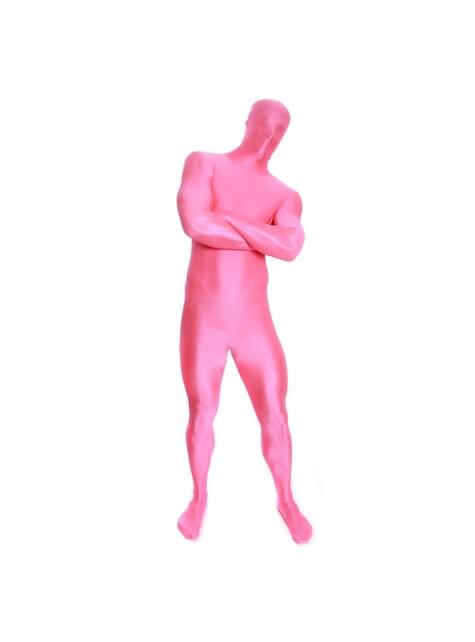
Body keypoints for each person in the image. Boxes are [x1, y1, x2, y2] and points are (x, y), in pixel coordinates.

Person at [176, 99, 313, 543]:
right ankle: (199, 498)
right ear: (249, 122)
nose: (272, 134)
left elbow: (290, 247)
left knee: (275, 412)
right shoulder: (205, 163)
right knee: (202, 409)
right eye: (267, 123)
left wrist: (227, 220)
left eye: (281, 129)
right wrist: (261, 234)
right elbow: (196, 223)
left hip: (254, 322)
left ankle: (286, 499)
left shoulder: (285, 195)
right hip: (205, 321)